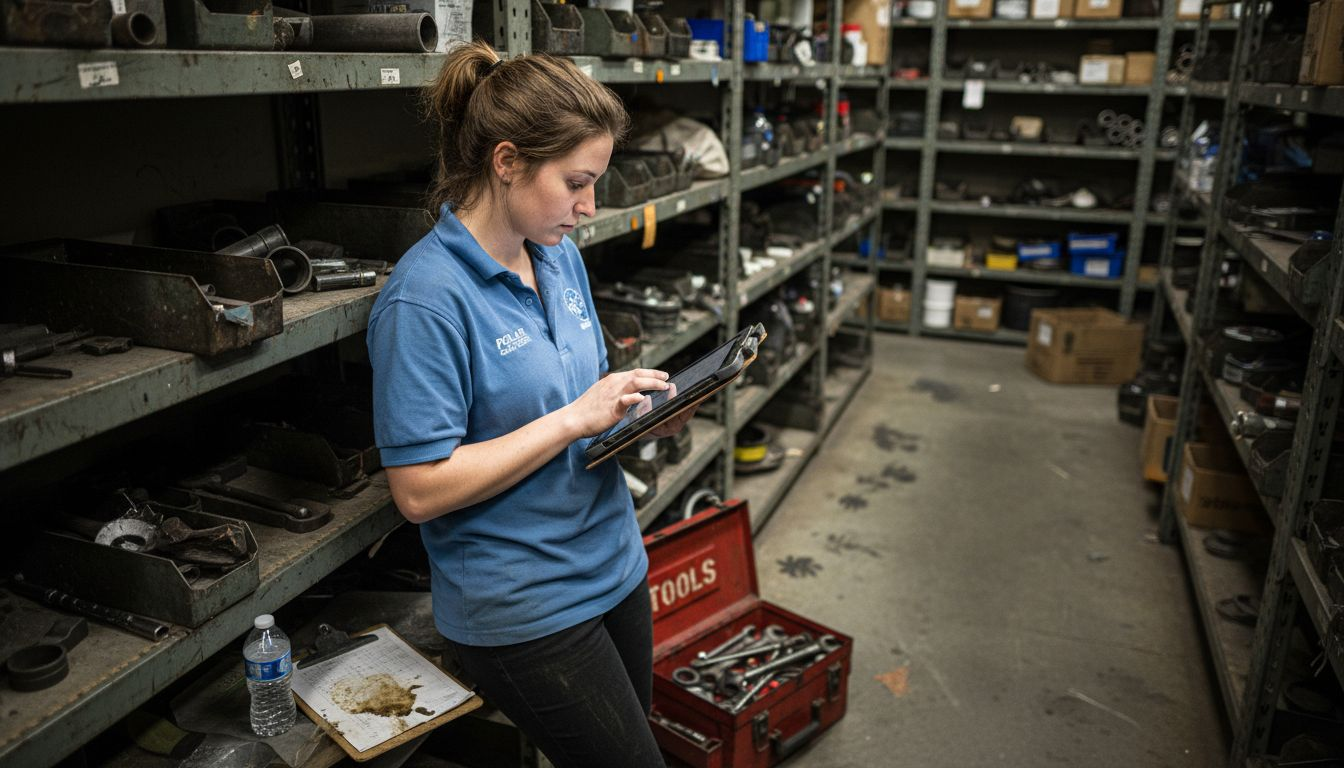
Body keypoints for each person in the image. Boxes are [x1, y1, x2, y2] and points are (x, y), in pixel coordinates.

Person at [366, 41, 690, 768]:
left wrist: (634, 412)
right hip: (523, 604)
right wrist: (574, 418)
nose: (589, 206)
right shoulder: (425, 300)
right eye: (576, 181)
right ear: (506, 161)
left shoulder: (557, 252)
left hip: (613, 561)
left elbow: (577, 401)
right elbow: (419, 491)